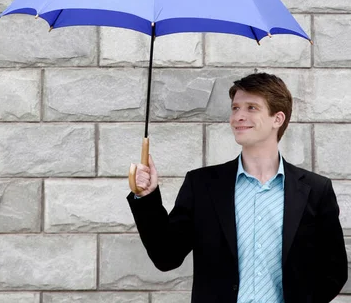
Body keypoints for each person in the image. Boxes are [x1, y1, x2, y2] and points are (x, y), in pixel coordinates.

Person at [127, 72, 348, 303]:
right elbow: (166, 256)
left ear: (278, 119)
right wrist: (147, 197)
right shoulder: (202, 185)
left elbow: (334, 271)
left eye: (252, 108)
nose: (238, 116)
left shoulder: (315, 190)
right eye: (235, 108)